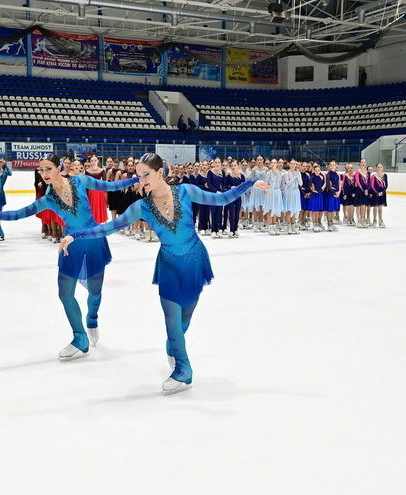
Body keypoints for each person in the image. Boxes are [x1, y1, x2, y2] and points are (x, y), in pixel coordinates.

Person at [59, 153, 270, 395]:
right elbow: (108, 227)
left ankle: (173, 346)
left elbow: (222, 200)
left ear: (161, 172)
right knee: (172, 320)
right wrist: (76, 235)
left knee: (184, 320)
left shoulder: (186, 192)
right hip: (169, 265)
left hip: (194, 261)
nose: (142, 180)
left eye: (146, 174)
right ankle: (183, 370)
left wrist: (250, 183)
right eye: (139, 176)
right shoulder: (142, 206)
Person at [0, 154, 139, 361]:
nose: (44, 173)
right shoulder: (48, 199)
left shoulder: (80, 180)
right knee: (65, 293)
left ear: (59, 167)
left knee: (95, 293)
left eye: (48, 168)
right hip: (71, 245)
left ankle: (92, 318)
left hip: (94, 242)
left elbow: (110, 187)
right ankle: (80, 338)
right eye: (41, 170)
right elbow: (18, 214)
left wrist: (136, 178)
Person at [369, 163, 388, 228]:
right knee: (375, 206)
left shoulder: (385, 175)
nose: (379, 168)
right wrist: (377, 192)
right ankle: (374, 220)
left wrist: (382, 192)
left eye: (381, 167)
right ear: (376, 168)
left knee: (380, 207)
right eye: (378, 167)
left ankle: (380, 220)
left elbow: (386, 185)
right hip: (375, 193)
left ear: (383, 168)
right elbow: (372, 185)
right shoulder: (374, 176)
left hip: (382, 193)